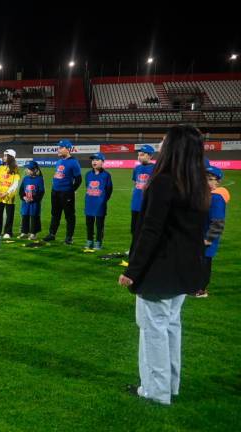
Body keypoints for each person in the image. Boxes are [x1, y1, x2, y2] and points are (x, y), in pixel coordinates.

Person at [119, 124, 211, 406]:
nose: (160, 143)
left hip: (159, 270)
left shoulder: (164, 181)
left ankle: (155, 391)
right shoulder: (197, 182)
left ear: (174, 146)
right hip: (183, 270)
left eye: (164, 139)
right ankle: (169, 385)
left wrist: (132, 270)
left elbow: (150, 230)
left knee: (154, 330)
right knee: (170, 325)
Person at [195, 165, 229, 298]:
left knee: (204, 263)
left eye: (210, 179)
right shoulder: (206, 195)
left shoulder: (216, 198)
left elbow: (218, 222)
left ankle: (201, 290)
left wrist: (208, 239)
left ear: (217, 182)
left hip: (206, 239)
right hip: (199, 237)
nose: (205, 182)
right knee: (197, 262)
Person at [44, 139, 82, 244]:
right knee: (55, 214)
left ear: (68, 149)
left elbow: (78, 180)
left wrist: (71, 191)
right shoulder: (59, 161)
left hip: (66, 193)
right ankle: (52, 234)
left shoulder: (74, 162)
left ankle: (69, 237)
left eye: (61, 147)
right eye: (58, 147)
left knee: (69, 216)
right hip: (55, 192)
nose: (58, 149)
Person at [84, 153, 113, 250]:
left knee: (99, 225)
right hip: (89, 203)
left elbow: (109, 190)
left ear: (102, 162)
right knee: (89, 224)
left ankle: (98, 242)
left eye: (97, 160)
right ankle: (89, 241)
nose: (94, 162)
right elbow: (87, 186)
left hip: (100, 204)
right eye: (93, 160)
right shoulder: (88, 174)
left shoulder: (106, 175)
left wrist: (103, 200)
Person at [0, 149, 21, 239]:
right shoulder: (0, 168)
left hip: (9, 196)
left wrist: (7, 193)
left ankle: (8, 232)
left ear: (11, 157)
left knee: (9, 214)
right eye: (4, 155)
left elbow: (15, 184)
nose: (4, 157)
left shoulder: (15, 169)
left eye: (6, 156)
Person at [131, 144, 156, 236]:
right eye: (138, 155)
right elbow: (135, 182)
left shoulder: (155, 168)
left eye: (142, 154)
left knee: (145, 230)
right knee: (134, 229)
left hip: (147, 204)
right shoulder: (137, 168)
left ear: (150, 155)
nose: (139, 157)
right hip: (135, 203)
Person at [18, 161, 44, 240]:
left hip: (34, 203)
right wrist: (24, 197)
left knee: (34, 216)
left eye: (30, 169)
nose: (28, 171)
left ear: (35, 170)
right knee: (25, 216)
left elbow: (41, 191)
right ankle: (24, 232)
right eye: (28, 169)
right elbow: (21, 190)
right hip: (25, 202)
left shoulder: (39, 179)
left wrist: (34, 199)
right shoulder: (25, 178)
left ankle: (33, 233)